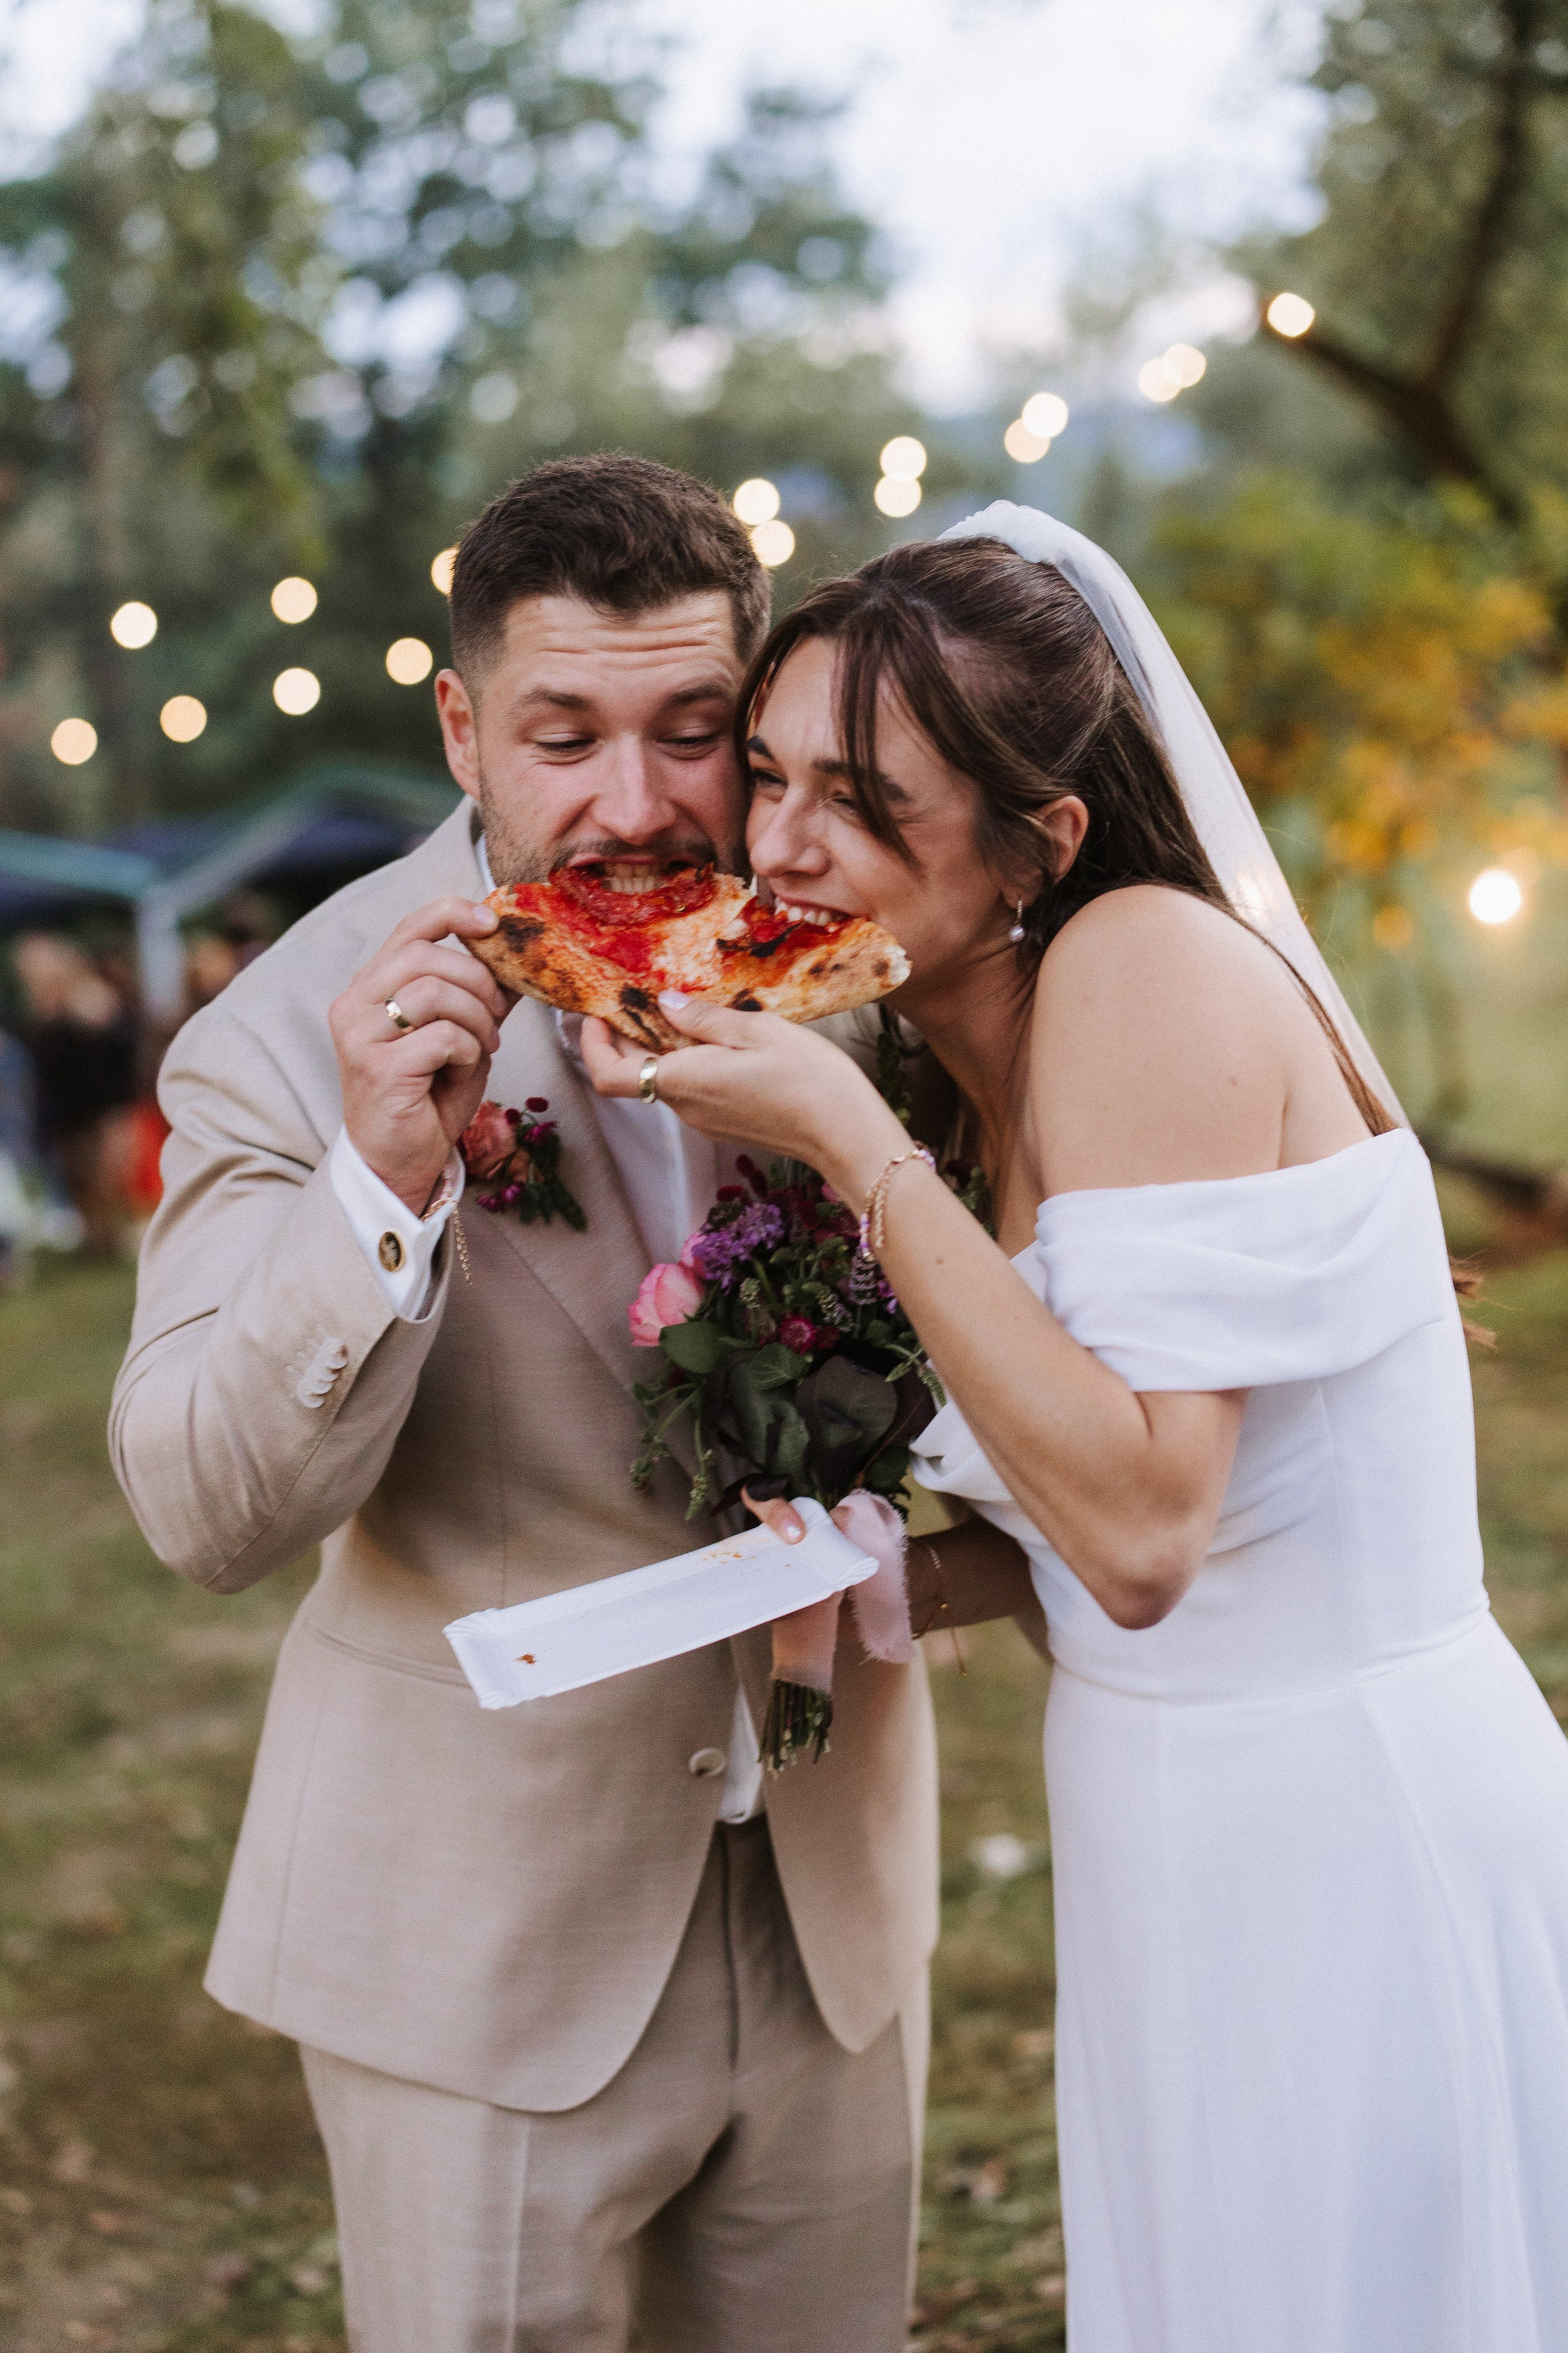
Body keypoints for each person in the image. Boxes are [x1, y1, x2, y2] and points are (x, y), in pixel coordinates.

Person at [583, 502, 1568, 2353]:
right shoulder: (971, 1067)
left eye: (863, 799)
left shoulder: (1140, 966)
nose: (779, 844)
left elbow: (1138, 1532)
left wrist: (847, 1149)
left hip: (1341, 1831)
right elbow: (1078, 1543)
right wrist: (898, 1569)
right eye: (774, 774)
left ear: (1039, 838)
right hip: (1167, 1829)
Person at [110, 456, 937, 2353]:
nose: (635, 805)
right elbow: (197, 1510)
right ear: (465, 730)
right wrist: (379, 1190)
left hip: (829, 1903)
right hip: (481, 1946)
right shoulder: (282, 1030)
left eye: (691, 731)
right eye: (565, 734)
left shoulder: (848, 970)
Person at [13, 931, 139, 1256]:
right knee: (82, 1179)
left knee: (108, 1175)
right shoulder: (42, 1012)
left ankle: (118, 1234)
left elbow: (116, 1045)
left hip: (104, 1103)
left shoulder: (92, 998)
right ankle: (99, 1239)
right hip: (69, 1109)